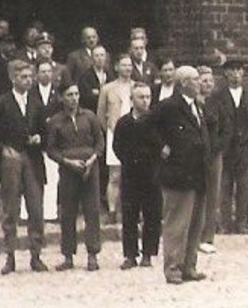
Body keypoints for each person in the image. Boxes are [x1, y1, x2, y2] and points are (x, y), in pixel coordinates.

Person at [0, 60, 49, 274]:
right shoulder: (0, 103)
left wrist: (40, 138)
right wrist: (2, 150)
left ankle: (36, 255)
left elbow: (46, 133)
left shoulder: (36, 103)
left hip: (33, 160)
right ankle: (10, 256)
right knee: (11, 209)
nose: (28, 81)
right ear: (13, 78)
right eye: (23, 77)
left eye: (30, 76)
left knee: (36, 210)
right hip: (11, 160)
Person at [153, 65, 211, 285]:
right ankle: (173, 267)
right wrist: (161, 147)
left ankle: (189, 265)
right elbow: (148, 127)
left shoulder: (197, 106)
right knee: (177, 224)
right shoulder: (169, 106)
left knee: (196, 223)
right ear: (184, 83)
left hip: (198, 173)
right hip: (178, 174)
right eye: (196, 79)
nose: (200, 83)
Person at [46, 82, 105, 271]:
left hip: (90, 169)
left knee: (92, 211)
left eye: (77, 94)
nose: (74, 98)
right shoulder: (56, 121)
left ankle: (92, 254)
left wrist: (92, 159)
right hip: (68, 170)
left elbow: (100, 142)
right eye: (70, 94)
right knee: (68, 213)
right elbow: (51, 149)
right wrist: (67, 162)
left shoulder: (89, 117)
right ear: (62, 97)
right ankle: (68, 256)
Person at [113, 82, 162, 270]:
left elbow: (162, 146)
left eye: (148, 97)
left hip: (152, 174)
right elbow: (117, 146)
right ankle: (130, 255)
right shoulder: (124, 122)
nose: (145, 101)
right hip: (130, 175)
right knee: (130, 215)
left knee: (152, 215)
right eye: (141, 97)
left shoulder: (156, 121)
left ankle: (148, 254)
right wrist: (129, 160)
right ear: (132, 99)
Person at [217, 58, 248, 236]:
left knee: (245, 186)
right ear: (226, 74)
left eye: (239, 70)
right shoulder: (218, 96)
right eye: (231, 71)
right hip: (226, 149)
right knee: (225, 186)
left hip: (245, 148)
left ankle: (242, 222)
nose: (235, 74)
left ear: (243, 73)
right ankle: (226, 224)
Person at [195, 67, 231, 254]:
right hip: (194, 154)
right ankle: (192, 235)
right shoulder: (192, 103)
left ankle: (207, 236)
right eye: (203, 80)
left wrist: (218, 147)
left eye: (210, 81)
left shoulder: (217, 103)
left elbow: (226, 128)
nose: (207, 84)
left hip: (214, 155)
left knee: (212, 194)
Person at [99, 53, 136, 222]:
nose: (127, 68)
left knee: (135, 173)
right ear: (116, 67)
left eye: (129, 65)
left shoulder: (137, 87)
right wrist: (109, 129)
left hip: (135, 133)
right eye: (124, 65)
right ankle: (112, 210)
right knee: (115, 174)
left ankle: (133, 209)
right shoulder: (107, 89)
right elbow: (100, 114)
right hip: (115, 134)